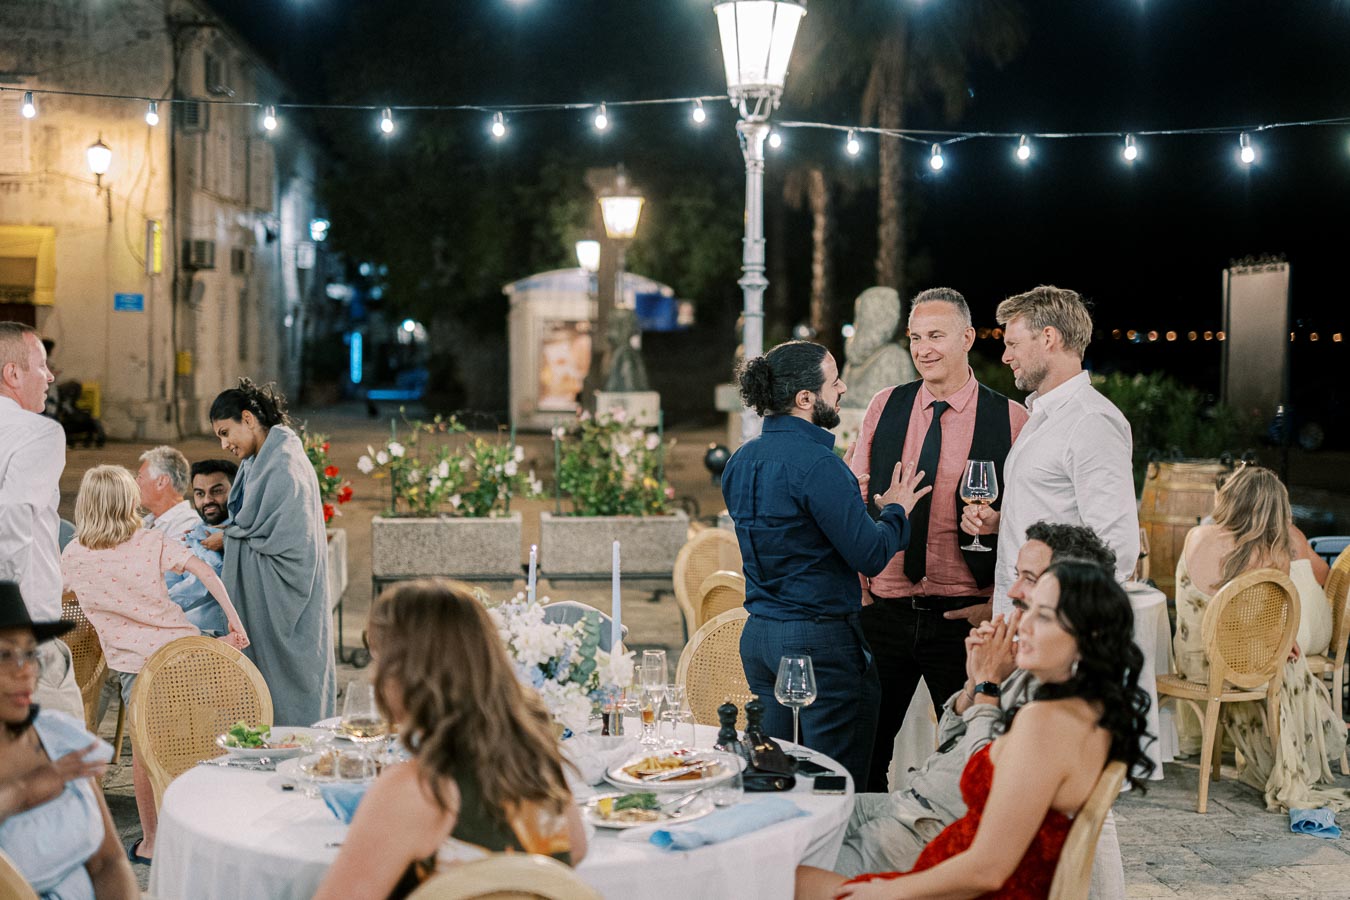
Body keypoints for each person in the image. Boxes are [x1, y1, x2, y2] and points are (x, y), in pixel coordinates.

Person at [797, 560, 1153, 900]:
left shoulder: (1045, 722)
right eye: (1028, 610)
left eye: (1043, 617)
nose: (1023, 625)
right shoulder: (1088, 711)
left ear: (1089, 635)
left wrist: (888, 891)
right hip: (967, 866)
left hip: (970, 885)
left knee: (781, 878)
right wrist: (979, 684)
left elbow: (988, 870)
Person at [721, 340, 931, 788]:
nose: (842, 387)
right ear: (805, 398)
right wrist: (896, 509)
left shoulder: (739, 462)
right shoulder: (820, 465)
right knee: (835, 780)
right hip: (817, 641)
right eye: (833, 380)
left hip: (759, 636)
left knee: (775, 776)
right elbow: (871, 556)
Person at [848, 288, 1029, 792]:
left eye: (936, 336)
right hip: (884, 613)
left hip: (962, 619)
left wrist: (995, 601)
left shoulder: (1012, 419)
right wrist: (860, 580)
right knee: (863, 755)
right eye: (915, 338)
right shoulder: (885, 406)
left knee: (972, 763)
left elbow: (1027, 521)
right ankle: (867, 860)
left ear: (968, 338)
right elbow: (853, 494)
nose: (923, 349)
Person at [312, 580, 587, 900]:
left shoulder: (414, 790)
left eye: (381, 661)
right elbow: (576, 850)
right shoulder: (539, 764)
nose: (375, 676)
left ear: (407, 674)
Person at [62, 465, 249, 864]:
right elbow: (203, 571)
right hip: (183, 654)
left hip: (136, 670)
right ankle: (209, 827)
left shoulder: (74, 554)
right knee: (198, 740)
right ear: (129, 501)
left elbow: (54, 600)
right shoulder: (150, 542)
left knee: (147, 753)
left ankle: (152, 841)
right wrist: (234, 621)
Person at [1174, 464, 1350, 811]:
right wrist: (1283, 642)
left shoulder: (1197, 535)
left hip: (1193, 663)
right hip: (1237, 669)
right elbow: (1264, 623)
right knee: (1292, 669)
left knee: (1285, 666)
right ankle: (1313, 745)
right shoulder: (1273, 554)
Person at [969, 286, 1138, 616]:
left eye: (1013, 344)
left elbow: (1115, 549)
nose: (1005, 356)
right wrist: (1002, 522)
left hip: (1052, 622)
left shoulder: (1092, 422)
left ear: (1048, 338)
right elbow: (1057, 515)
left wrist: (1059, 625)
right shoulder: (1041, 414)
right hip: (1017, 615)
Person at [0, 580, 140, 899]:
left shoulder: (58, 734)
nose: (26, 672)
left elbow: (109, 861)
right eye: (5, 655)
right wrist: (22, 792)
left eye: (31, 654)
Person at [210, 378, 337, 726]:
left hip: (288, 597)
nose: (224, 445)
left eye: (226, 432)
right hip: (267, 588)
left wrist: (229, 540)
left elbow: (288, 544)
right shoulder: (261, 459)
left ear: (248, 419)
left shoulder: (283, 465)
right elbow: (253, 526)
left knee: (288, 694)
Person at [0, 322, 84, 722]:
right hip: (23, 631)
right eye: (41, 365)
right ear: (12, 373)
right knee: (67, 766)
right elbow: (12, 520)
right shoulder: (38, 433)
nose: (50, 376)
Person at [164, 459, 239, 636]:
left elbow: (202, 585)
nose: (207, 500)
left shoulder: (239, 534)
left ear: (236, 491)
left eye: (217, 491)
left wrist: (158, 606)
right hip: (181, 633)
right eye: (199, 493)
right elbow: (168, 579)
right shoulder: (193, 532)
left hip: (217, 640)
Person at [135, 446, 198, 540]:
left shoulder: (189, 524)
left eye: (140, 477)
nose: (135, 483)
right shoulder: (147, 521)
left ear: (161, 482)